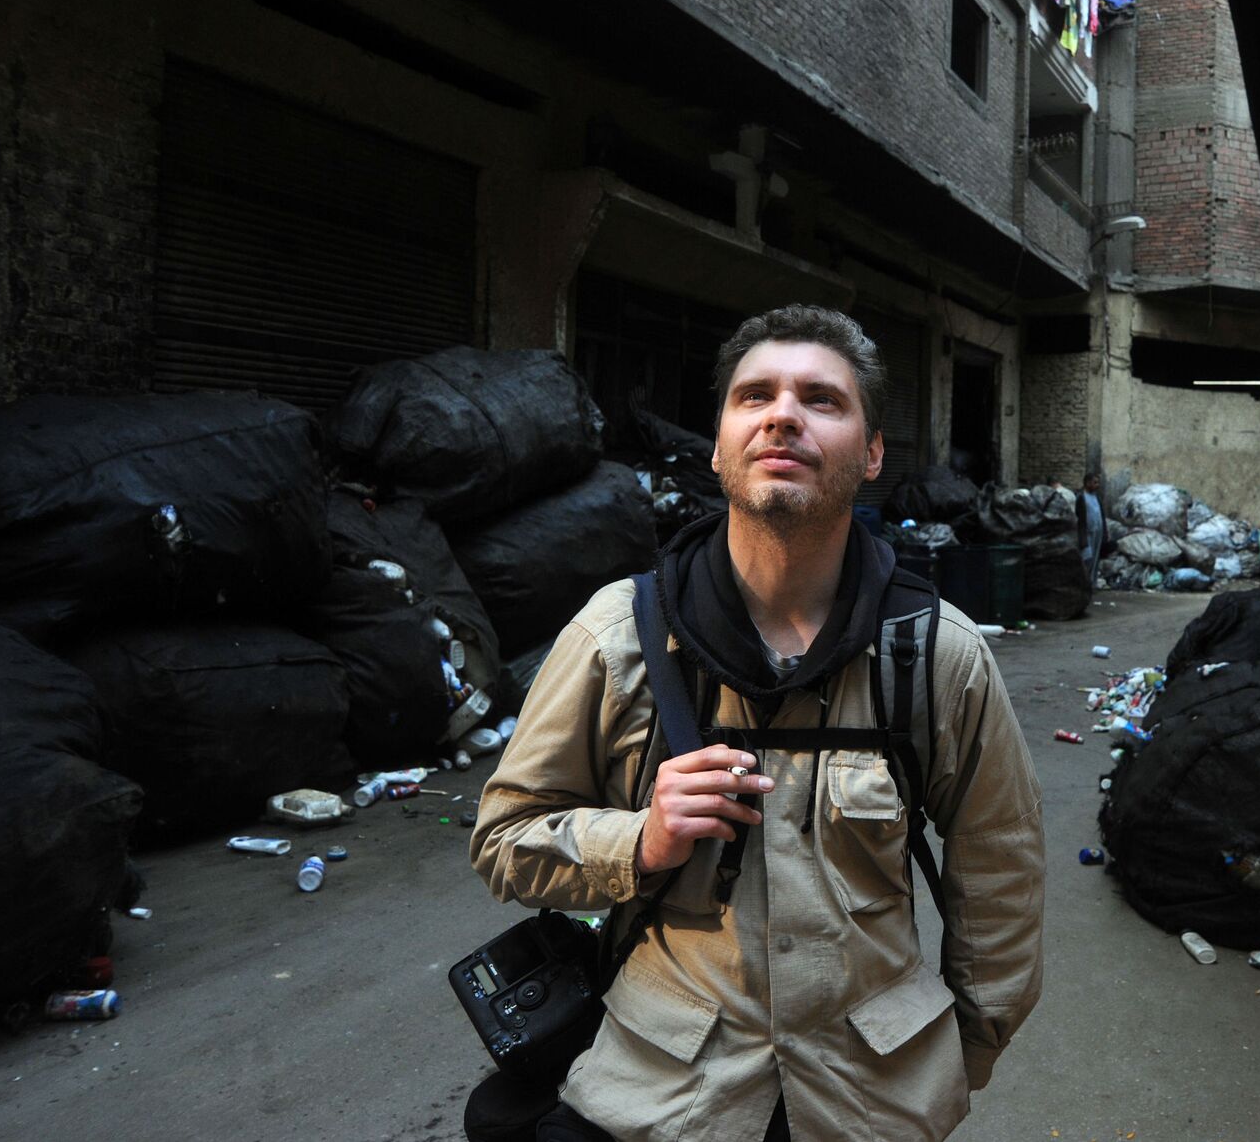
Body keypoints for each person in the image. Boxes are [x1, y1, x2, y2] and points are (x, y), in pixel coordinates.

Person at [471, 305, 1045, 1142]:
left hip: (869, 1104)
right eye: (755, 396)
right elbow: (504, 838)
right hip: (662, 1098)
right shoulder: (617, 638)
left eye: (822, 399)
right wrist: (641, 841)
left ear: (873, 452)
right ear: (718, 444)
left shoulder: (935, 654)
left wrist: (957, 1057)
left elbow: (1001, 875)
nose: (782, 415)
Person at [1079, 471, 1105, 584]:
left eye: (1097, 482)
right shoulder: (1081, 497)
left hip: (1098, 533)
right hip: (1087, 533)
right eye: (1095, 482)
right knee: (1087, 558)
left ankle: (1092, 584)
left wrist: (1105, 533)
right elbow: (1079, 519)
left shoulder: (1096, 497)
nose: (1097, 485)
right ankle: (1084, 583)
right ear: (1087, 483)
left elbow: (1101, 515)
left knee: (1095, 559)